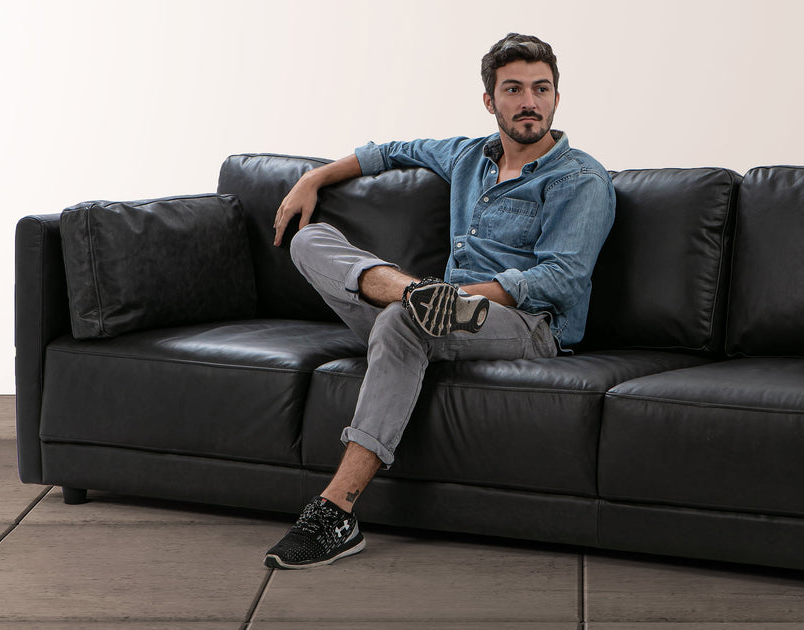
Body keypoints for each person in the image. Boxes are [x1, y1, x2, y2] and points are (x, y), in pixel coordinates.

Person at [263, 33, 616, 569]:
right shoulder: (467, 156)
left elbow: (563, 278)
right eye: (514, 89)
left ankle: (336, 511)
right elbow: (386, 152)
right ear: (489, 101)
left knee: (402, 324)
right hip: (433, 310)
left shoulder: (580, 178)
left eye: (541, 90)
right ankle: (411, 294)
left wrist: (460, 297)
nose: (529, 102)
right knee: (310, 240)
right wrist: (314, 177)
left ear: (557, 99)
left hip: (525, 324)